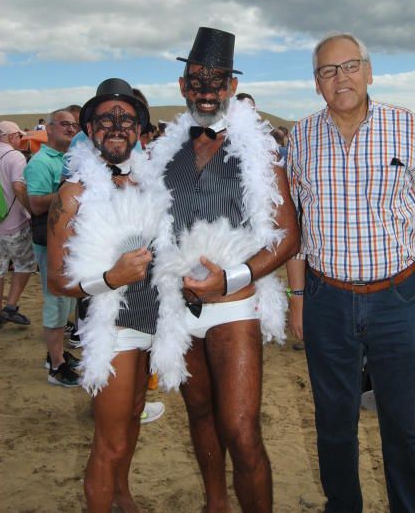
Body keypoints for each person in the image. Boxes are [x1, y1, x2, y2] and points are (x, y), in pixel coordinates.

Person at [286, 33, 415, 513]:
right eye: (328, 71)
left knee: (406, 424)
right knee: (334, 424)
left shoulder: (407, 127)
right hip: (326, 300)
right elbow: (294, 229)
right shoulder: (300, 136)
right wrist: (298, 300)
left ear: (369, 71)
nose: (341, 79)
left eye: (350, 66)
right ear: (316, 83)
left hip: (397, 299)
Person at [148, 27, 299, 513]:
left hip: (235, 305)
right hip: (179, 306)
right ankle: (216, 502)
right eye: (196, 80)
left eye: (216, 80)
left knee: (240, 427)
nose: (206, 89)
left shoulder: (261, 153)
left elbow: (287, 237)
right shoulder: (164, 153)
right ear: (182, 87)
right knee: (199, 409)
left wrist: (228, 280)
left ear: (232, 87)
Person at [47, 78, 167, 513]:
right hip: (111, 327)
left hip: (154, 320)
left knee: (134, 416)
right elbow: (58, 281)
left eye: (127, 119)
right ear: (89, 128)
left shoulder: (150, 184)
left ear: (139, 129)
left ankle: (122, 495)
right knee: (109, 440)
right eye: (106, 119)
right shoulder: (73, 195)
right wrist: (111, 278)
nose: (117, 126)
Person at [24, 109, 80, 386]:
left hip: (68, 241)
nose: (70, 129)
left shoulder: (70, 158)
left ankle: (57, 354)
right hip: (49, 242)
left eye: (74, 125)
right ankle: (56, 365)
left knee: (66, 299)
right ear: (48, 127)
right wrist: (71, 192)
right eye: (64, 124)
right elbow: (34, 205)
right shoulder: (40, 162)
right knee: (55, 300)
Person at [0, 121, 35, 328]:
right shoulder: (14, 156)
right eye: (19, 136)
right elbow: (19, 187)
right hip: (14, 223)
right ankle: (10, 307)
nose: (20, 140)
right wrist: (31, 211)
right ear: (11, 136)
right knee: (25, 264)